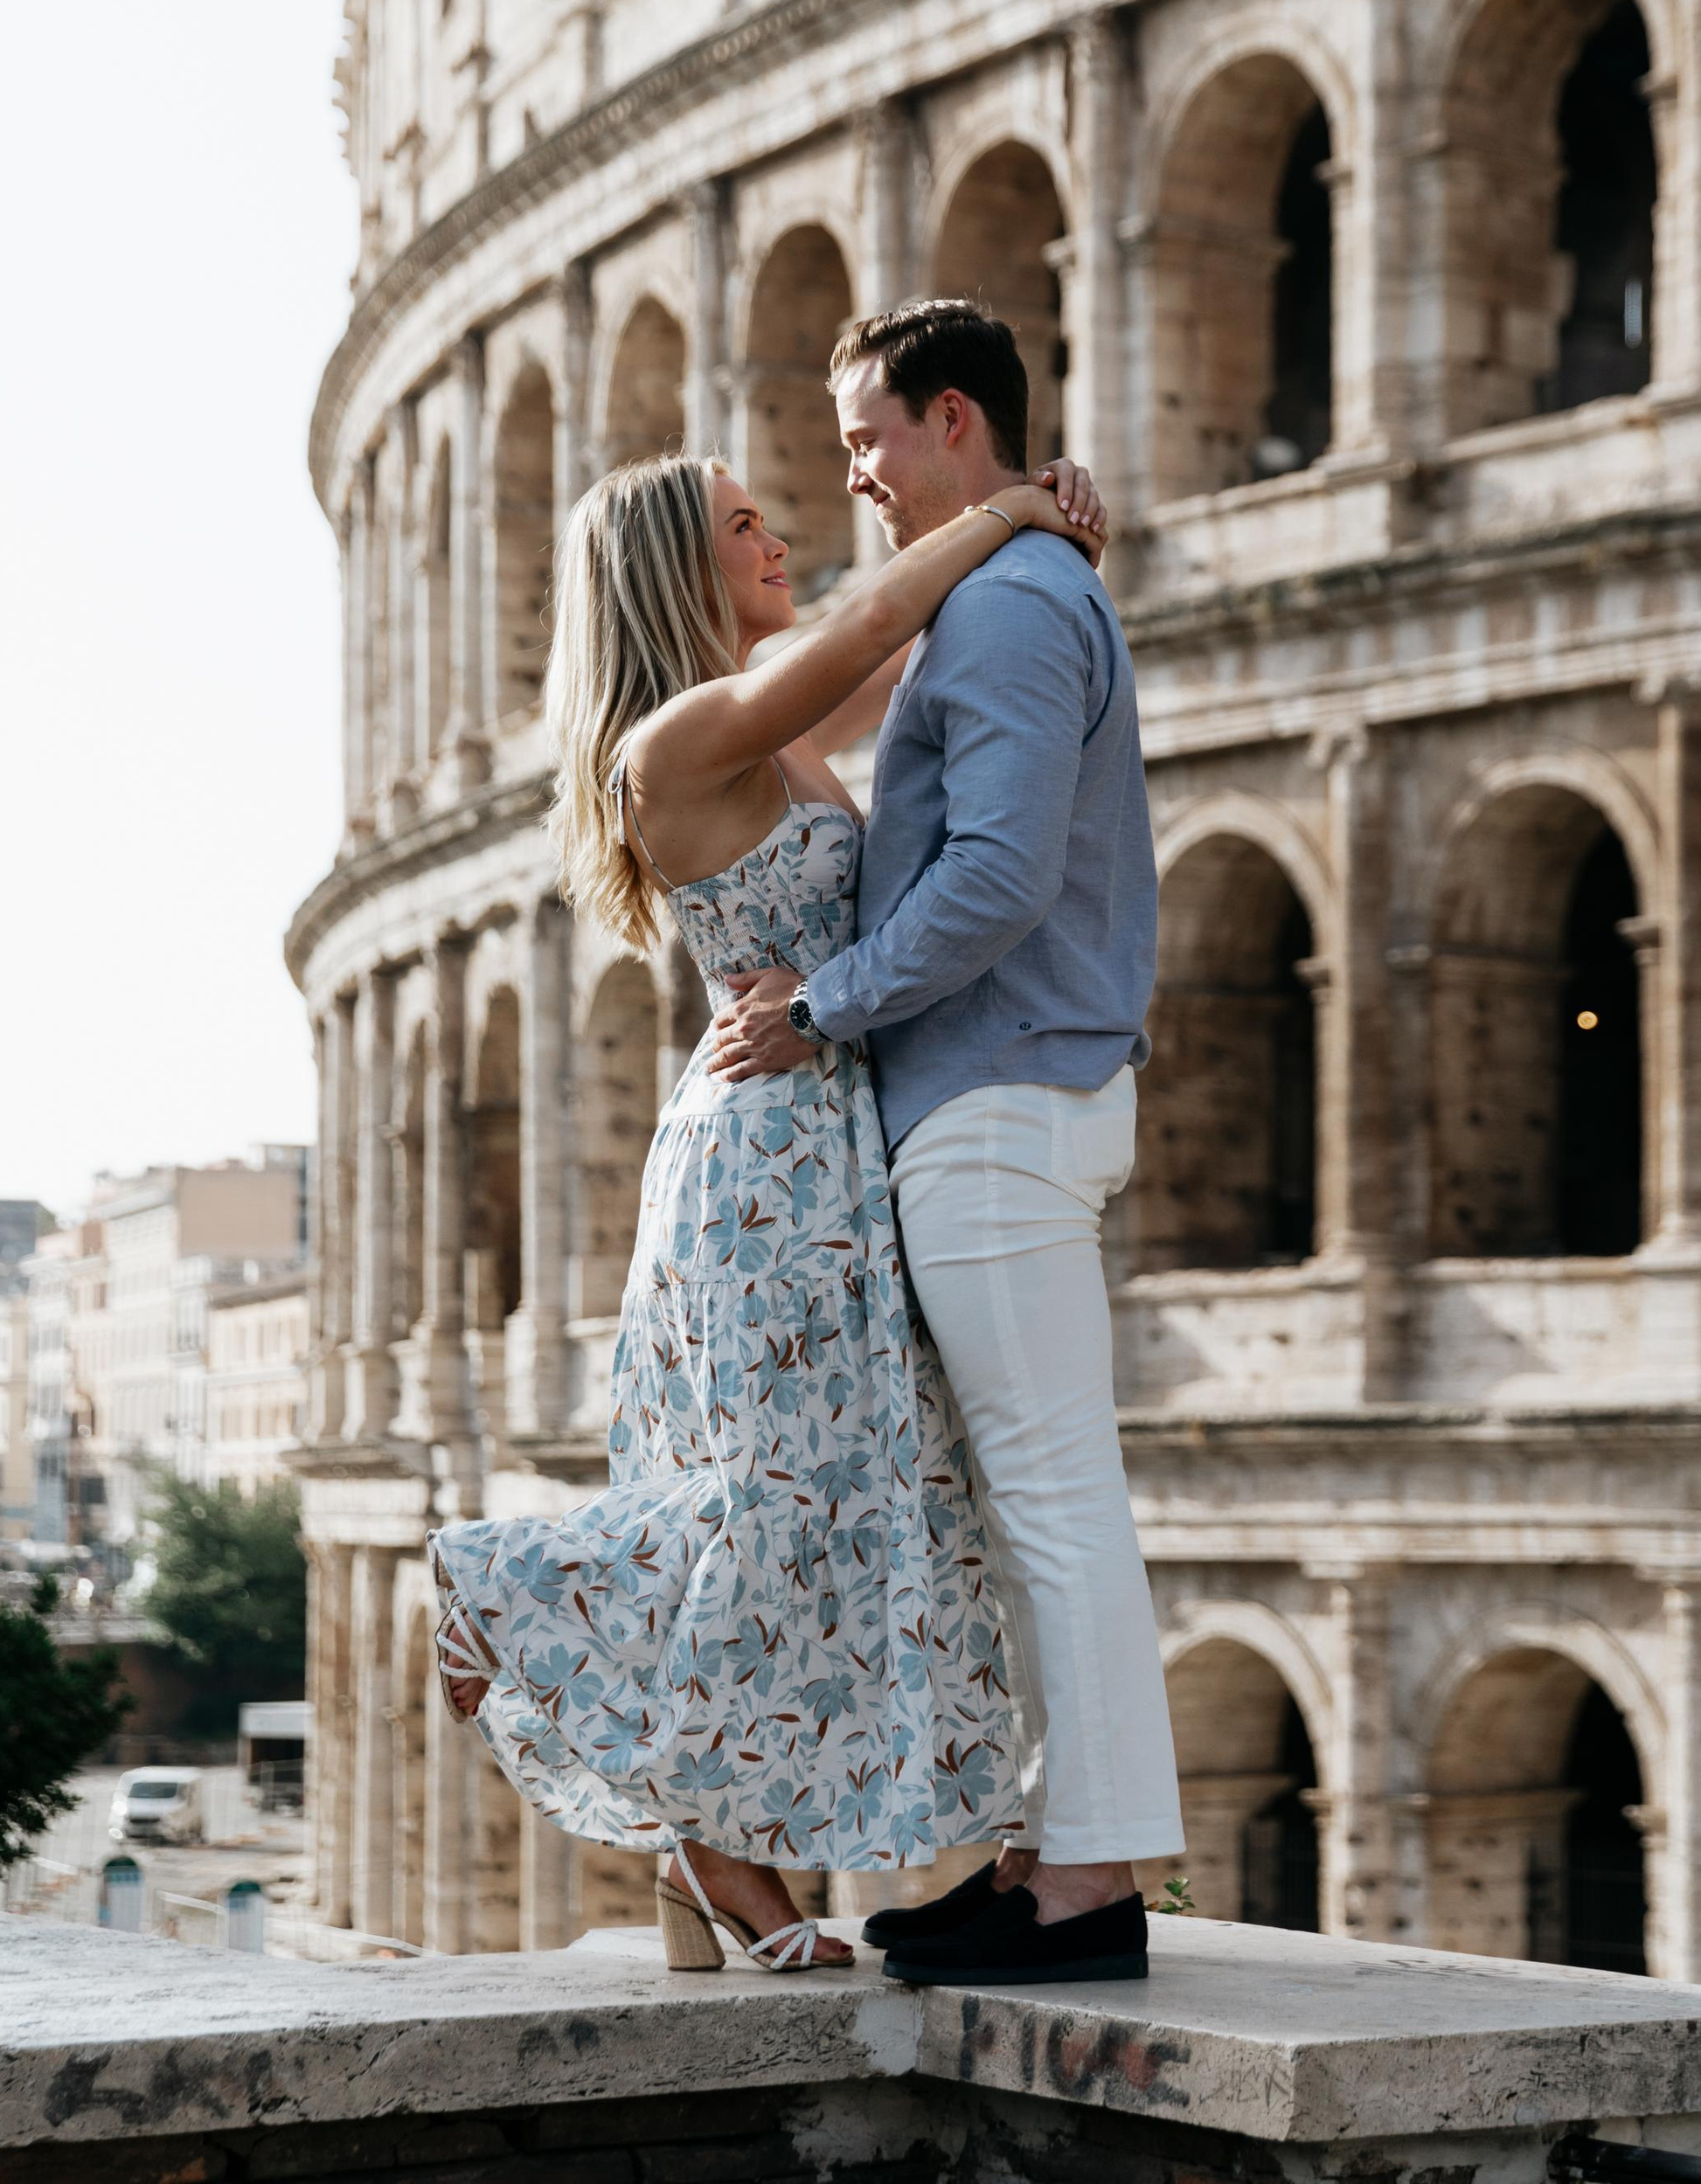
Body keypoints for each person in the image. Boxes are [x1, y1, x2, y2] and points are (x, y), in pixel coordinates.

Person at [427, 439, 1105, 1975]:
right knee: (777, 1495)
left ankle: (707, 1861)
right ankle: (504, 1590)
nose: (778, 535)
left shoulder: (769, 732)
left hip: (821, 1140)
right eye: (743, 526)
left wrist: (1050, 544)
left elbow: (930, 658)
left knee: (826, 1489)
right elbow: (873, 636)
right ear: (680, 570)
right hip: (764, 1161)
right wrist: (999, 505)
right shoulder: (681, 738)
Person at [712, 301, 1182, 1989]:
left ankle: (1085, 1891)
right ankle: (1065, 1864)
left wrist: (818, 1005)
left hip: (993, 1097)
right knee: (1041, 1503)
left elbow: (991, 880)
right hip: (1016, 1088)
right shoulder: (1021, 590)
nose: (851, 469)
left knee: (1055, 1505)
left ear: (954, 419)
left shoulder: (1006, 616)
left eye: (868, 436)